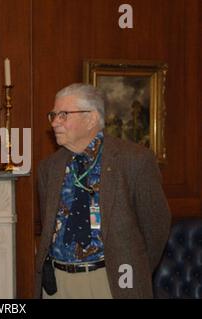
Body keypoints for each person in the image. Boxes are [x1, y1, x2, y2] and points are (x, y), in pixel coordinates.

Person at [35, 83, 171, 299]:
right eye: (53, 115)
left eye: (63, 115)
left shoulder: (134, 160)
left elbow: (157, 227)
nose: (54, 122)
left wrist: (132, 266)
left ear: (91, 118)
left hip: (110, 281)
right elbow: (47, 227)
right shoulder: (48, 168)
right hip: (58, 284)